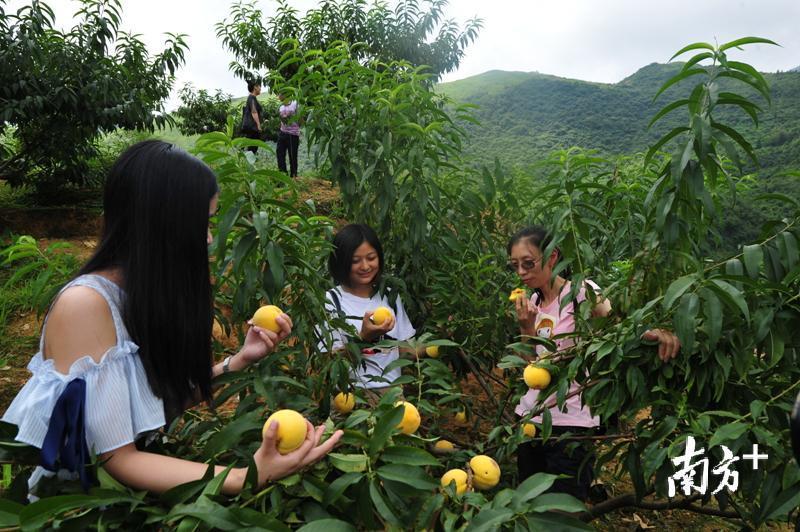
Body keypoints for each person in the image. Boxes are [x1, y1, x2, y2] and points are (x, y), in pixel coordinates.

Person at [1, 140, 342, 498]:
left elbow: (150, 409)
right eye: (204, 223)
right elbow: (117, 458)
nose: (209, 238)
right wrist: (245, 476)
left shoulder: (139, 297)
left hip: (119, 496)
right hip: (72, 507)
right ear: (164, 225)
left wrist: (239, 360)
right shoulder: (85, 305)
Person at [508, 225, 679, 501]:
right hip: (530, 420)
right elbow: (529, 366)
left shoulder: (581, 292)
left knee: (563, 509)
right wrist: (526, 327)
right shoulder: (533, 303)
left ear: (552, 257)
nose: (521, 272)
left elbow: (619, 327)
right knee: (530, 506)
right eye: (514, 266)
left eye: (528, 263)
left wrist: (655, 333)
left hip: (572, 424)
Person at [319, 224, 416, 404]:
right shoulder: (331, 301)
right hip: (350, 397)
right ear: (342, 261)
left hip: (392, 395)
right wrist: (363, 338)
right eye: (355, 260)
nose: (365, 266)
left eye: (371, 258)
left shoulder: (390, 297)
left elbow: (406, 351)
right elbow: (327, 363)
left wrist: (442, 341)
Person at [276, 93, 300, 177]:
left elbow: (300, 118)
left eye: (279, 94)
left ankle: (293, 175)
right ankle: (283, 175)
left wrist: (297, 128)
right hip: (282, 132)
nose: (278, 96)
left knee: (292, 155)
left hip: (293, 134)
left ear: (284, 94)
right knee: (279, 153)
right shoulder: (280, 106)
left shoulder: (295, 103)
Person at [242, 80, 263, 154]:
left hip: (251, 127)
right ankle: (249, 163)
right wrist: (258, 125)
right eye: (259, 86)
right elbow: (254, 111)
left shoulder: (252, 98)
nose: (260, 88)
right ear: (255, 87)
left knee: (252, 147)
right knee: (252, 148)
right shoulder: (252, 98)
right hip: (252, 128)